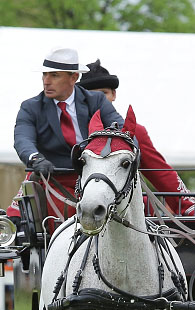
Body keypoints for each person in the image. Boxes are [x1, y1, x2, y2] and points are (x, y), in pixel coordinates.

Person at [77, 59, 195, 216]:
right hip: (81, 204)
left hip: (122, 207)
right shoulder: (75, 131)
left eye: (103, 93)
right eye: (91, 95)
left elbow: (161, 173)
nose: (99, 100)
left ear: (114, 94)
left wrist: (193, 212)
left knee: (146, 204)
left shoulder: (135, 132)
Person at [8, 47, 123, 220]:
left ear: (73, 78)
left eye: (54, 75)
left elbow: (121, 130)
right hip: (55, 181)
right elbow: (22, 139)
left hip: (98, 177)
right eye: (44, 74)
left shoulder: (96, 101)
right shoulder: (31, 107)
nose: (46, 81)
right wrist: (35, 158)